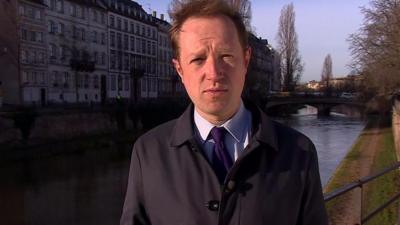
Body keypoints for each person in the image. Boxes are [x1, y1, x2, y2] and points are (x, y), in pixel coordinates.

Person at [120, 0, 328, 224]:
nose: (213, 73)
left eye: (226, 56)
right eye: (198, 59)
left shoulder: (299, 153)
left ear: (246, 61)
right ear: (180, 69)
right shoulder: (148, 153)